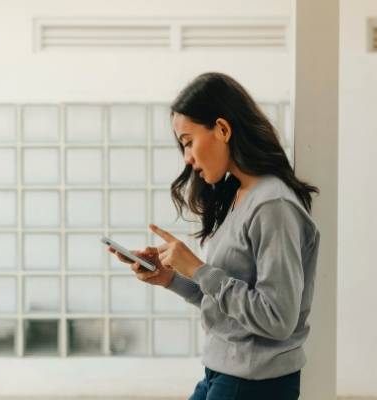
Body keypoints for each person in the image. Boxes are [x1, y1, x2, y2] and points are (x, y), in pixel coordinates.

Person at [108, 72, 321, 400]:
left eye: (188, 142)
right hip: (224, 372)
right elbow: (230, 305)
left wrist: (196, 268)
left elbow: (277, 318)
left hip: (254, 383)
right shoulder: (240, 196)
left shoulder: (272, 204)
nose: (187, 158)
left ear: (223, 129)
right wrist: (170, 279)